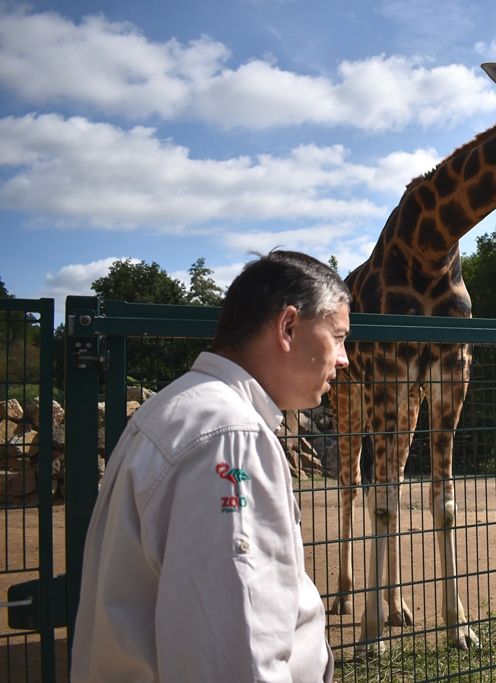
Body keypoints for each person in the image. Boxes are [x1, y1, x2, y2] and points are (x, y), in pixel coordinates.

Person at [70, 250, 351, 682]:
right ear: (289, 327)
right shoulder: (231, 438)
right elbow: (238, 659)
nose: (344, 358)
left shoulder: (177, 408)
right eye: (338, 336)